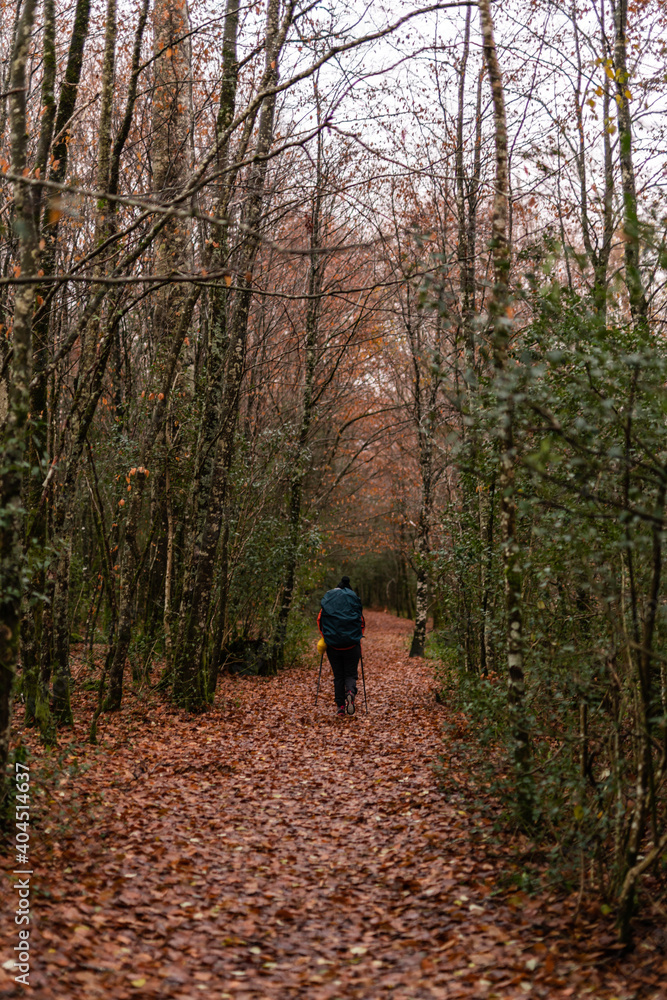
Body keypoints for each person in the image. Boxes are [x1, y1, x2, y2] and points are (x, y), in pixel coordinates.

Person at [317, 576, 365, 716]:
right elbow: (361, 624)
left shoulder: (328, 605)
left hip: (333, 647)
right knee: (350, 674)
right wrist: (356, 637)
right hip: (352, 646)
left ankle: (341, 707)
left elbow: (320, 622)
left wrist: (327, 637)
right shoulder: (353, 604)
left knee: (338, 676)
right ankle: (350, 692)